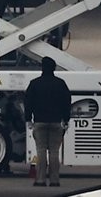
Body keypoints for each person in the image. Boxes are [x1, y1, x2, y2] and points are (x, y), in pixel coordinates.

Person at [24, 57, 72, 188]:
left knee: (41, 151)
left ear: (42, 68)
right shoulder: (61, 84)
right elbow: (67, 102)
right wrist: (66, 119)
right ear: (54, 68)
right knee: (54, 152)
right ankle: (54, 180)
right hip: (56, 122)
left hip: (39, 122)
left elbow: (28, 102)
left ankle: (40, 180)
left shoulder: (34, 84)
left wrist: (28, 119)